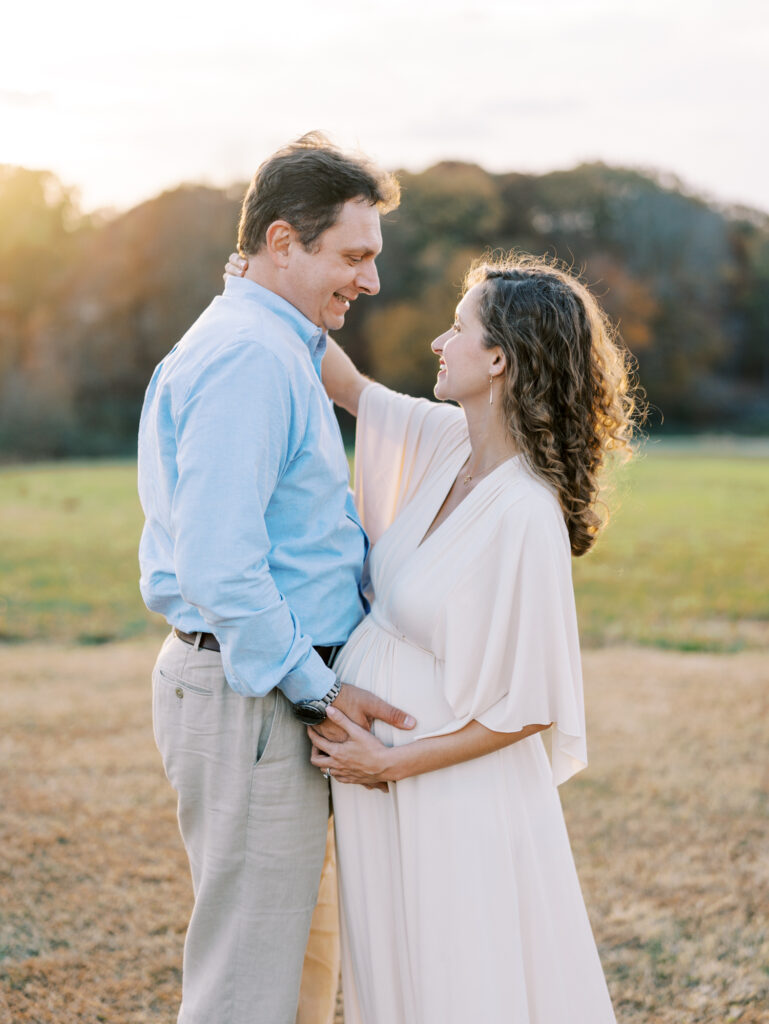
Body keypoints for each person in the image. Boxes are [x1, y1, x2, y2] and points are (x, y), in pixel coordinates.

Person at [229, 249, 638, 1022]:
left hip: (445, 790)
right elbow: (344, 384)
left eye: (456, 330)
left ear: (497, 359)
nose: (437, 345)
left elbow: (528, 707)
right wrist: (266, 290)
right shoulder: (450, 444)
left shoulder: (524, 511)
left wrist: (389, 762)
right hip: (388, 781)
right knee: (400, 974)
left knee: (457, 980)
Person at [137, 133, 416, 1024]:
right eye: (353, 256)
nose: (369, 282)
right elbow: (220, 565)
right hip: (257, 693)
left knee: (301, 969)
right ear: (284, 241)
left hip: (270, 690)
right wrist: (318, 692)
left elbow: (362, 398)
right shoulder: (250, 358)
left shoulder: (279, 339)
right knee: (247, 985)